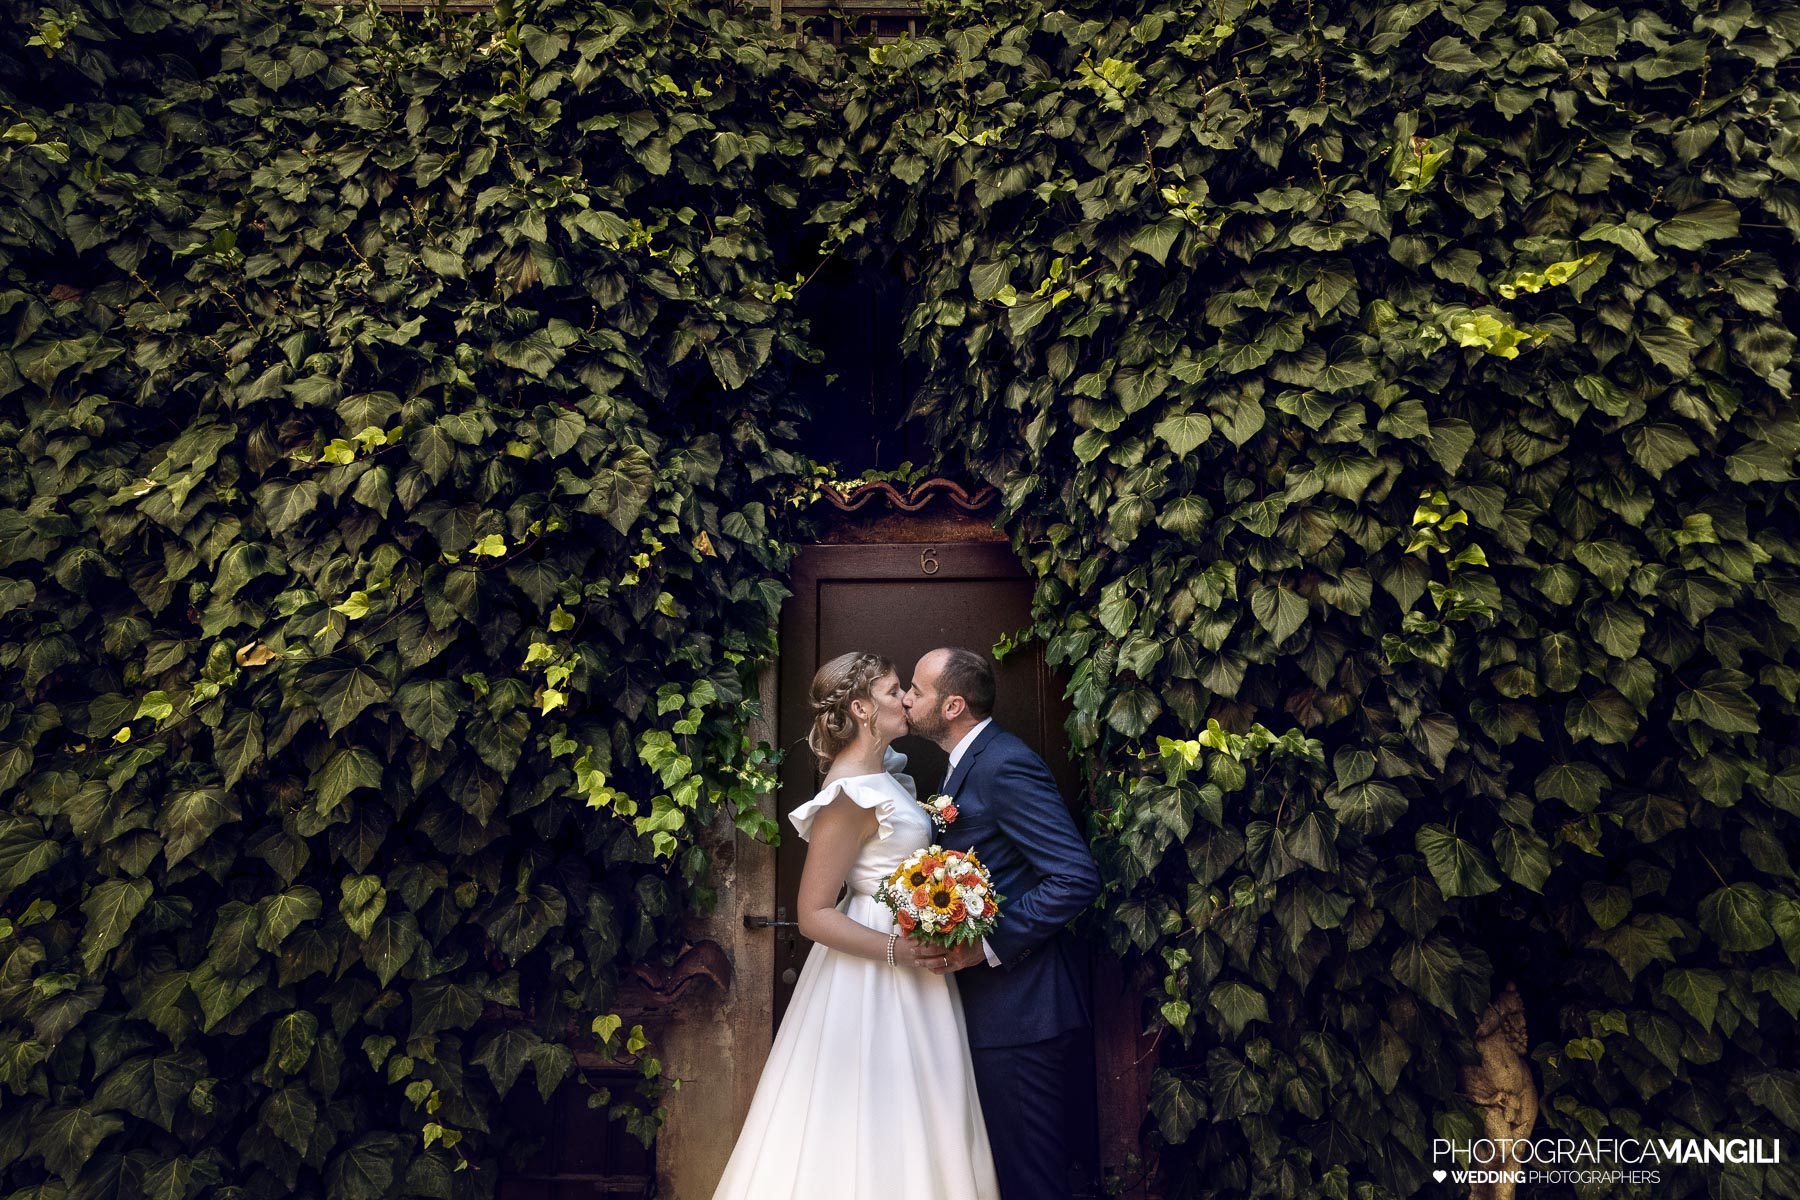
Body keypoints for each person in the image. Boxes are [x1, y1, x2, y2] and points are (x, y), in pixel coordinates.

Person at [712, 651, 1000, 1200]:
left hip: (916, 964)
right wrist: (898, 949)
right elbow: (814, 914)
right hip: (876, 967)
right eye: (895, 691)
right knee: (868, 1106)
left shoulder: (886, 773)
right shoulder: (848, 793)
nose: (906, 701)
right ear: (864, 708)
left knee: (926, 1105)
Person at [903, 646, 1104, 1200]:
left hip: (1023, 1014)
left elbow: (1074, 878)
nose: (905, 697)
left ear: (952, 706)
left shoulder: (1002, 762)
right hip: (996, 1015)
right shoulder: (967, 764)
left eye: (917, 690)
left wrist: (984, 947)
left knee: (1032, 1184)